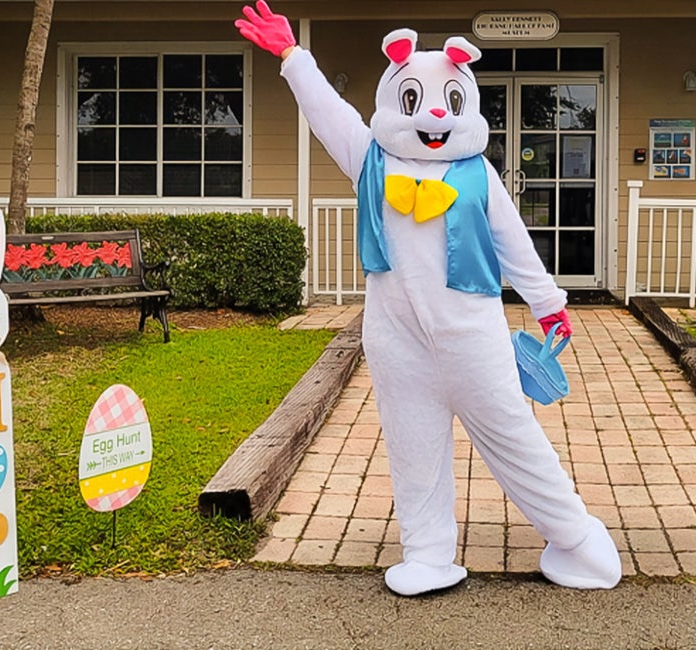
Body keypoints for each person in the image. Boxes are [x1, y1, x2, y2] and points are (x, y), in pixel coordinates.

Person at [237, 1, 621, 596]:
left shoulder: (479, 173)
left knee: (514, 439)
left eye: (448, 101)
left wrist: (548, 304)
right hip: (397, 342)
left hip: (474, 338)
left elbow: (514, 241)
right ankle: (429, 554)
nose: (434, 114)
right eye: (415, 100)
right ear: (394, 99)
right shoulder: (369, 159)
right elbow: (327, 113)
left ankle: (577, 539)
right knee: (413, 450)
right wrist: (293, 56)